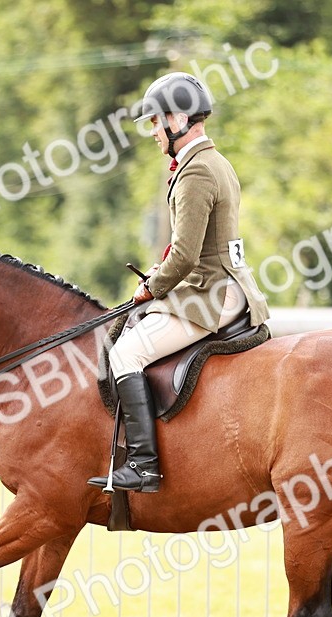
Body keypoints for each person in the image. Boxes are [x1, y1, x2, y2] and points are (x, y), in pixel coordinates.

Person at [89, 72, 270, 493]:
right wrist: (156, 276)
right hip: (222, 283)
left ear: (179, 119)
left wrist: (151, 289)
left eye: (156, 122)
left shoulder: (196, 172)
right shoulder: (212, 161)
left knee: (127, 354)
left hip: (212, 292)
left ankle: (145, 466)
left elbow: (186, 255)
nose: (153, 132)